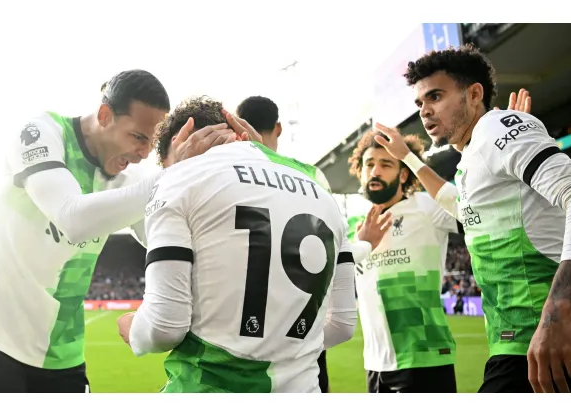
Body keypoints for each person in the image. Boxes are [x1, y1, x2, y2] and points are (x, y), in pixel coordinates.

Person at [0, 70, 237, 393]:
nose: (144, 154)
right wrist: (174, 177)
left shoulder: (127, 182)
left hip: (63, 356)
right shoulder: (40, 133)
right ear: (104, 115)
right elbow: (72, 219)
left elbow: (175, 244)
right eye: (138, 137)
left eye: (152, 143)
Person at [374, 44, 571, 393]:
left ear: (474, 93)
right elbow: (459, 206)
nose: (425, 111)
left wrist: (557, 312)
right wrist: (407, 157)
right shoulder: (474, 153)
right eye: (420, 103)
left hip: (542, 347)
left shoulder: (493, 130)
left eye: (435, 96)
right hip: (526, 350)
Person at [116, 96, 359, 393]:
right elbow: (343, 325)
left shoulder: (178, 179)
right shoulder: (319, 190)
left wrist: (133, 327)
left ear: (180, 143)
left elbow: (164, 328)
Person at [346, 128, 459, 393]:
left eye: (386, 164)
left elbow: (469, 209)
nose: (375, 171)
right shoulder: (354, 223)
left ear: (404, 173)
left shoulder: (426, 206)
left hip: (425, 358)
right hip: (375, 363)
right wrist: (362, 243)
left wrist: (409, 157)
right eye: (369, 164)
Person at [236, 95, 333, 392]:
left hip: (241, 327)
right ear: (278, 127)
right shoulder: (312, 176)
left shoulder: (230, 172)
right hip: (302, 328)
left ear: (237, 126)